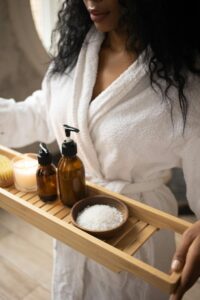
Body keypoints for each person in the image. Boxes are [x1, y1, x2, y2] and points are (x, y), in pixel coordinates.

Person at [0, 0, 200, 299]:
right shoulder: (77, 51)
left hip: (139, 234)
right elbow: (43, 112)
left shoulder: (184, 85)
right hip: (75, 216)